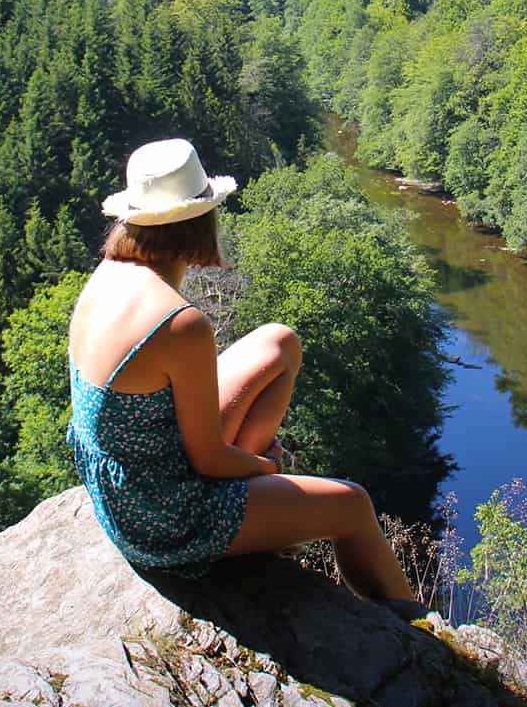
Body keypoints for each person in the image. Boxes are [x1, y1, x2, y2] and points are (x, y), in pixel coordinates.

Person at [66, 138, 416, 608]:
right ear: (199, 220)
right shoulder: (178, 323)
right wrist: (266, 467)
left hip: (133, 481)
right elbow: (208, 458)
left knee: (279, 343)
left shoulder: (108, 273)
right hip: (162, 516)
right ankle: (418, 632)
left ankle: (252, 498)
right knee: (351, 505)